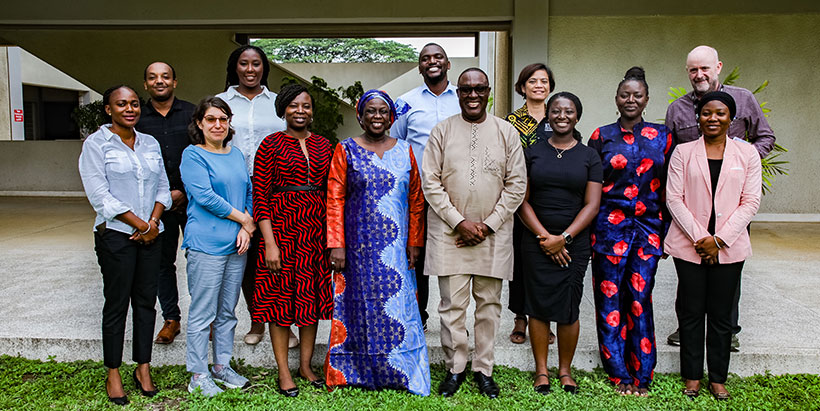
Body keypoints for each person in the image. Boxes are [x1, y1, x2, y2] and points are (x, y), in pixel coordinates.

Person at [423, 68, 527, 399]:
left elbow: (516, 183)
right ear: (458, 93)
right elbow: (431, 182)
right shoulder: (441, 131)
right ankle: (455, 367)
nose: (472, 95)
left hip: (493, 235)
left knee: (489, 305)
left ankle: (483, 369)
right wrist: (460, 222)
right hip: (449, 233)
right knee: (452, 305)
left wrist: (489, 224)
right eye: (466, 89)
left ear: (488, 92)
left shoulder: (506, 132)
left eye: (479, 89)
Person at [665, 45, 775, 350]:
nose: (699, 74)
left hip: (732, 201)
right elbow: (669, 153)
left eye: (705, 68)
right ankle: (686, 326)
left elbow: (765, 136)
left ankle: (728, 330)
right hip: (691, 203)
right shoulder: (677, 110)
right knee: (689, 265)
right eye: (693, 70)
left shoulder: (743, 99)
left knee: (728, 267)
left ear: (718, 67)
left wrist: (745, 160)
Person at [325, 89, 430, 396]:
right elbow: (334, 199)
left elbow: (416, 200)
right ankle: (352, 371)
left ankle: (401, 372)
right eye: (370, 111)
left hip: (396, 252)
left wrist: (415, 242)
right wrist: (337, 245)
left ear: (391, 117)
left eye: (383, 112)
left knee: (396, 310)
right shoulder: (345, 150)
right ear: (360, 115)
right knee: (357, 309)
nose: (376, 117)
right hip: (356, 250)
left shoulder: (405, 150)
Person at [665, 91, 761, 401]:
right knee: (692, 312)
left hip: (729, 246)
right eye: (707, 113)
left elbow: (750, 202)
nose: (713, 118)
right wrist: (701, 238)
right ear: (698, 117)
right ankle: (692, 376)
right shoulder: (683, 152)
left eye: (720, 113)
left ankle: (718, 378)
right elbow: (673, 199)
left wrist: (719, 240)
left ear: (731, 118)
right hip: (689, 245)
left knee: (721, 315)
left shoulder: (747, 155)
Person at [79, 85, 171, 406]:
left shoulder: (149, 143)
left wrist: (153, 223)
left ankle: (143, 367)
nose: (129, 109)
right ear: (108, 110)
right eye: (121, 104)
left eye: (133, 103)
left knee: (146, 302)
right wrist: (140, 224)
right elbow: (100, 195)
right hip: (116, 236)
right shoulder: (96, 145)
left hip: (151, 234)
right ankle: (114, 371)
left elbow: (163, 187)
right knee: (117, 304)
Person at [588, 67, 674, 396]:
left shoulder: (663, 136)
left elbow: (669, 186)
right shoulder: (601, 136)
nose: (631, 100)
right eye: (625, 94)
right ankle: (618, 372)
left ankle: (643, 373)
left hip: (648, 230)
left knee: (639, 299)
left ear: (647, 99)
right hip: (608, 230)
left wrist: (667, 231)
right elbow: (591, 186)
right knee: (609, 301)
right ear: (616, 98)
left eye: (637, 95)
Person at [517, 92, 602, 396]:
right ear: (548, 116)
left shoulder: (589, 155)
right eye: (555, 111)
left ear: (577, 116)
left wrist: (563, 238)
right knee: (537, 306)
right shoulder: (532, 152)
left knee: (569, 305)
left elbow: (592, 205)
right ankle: (542, 370)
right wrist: (545, 237)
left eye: (568, 111)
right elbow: (521, 200)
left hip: (574, 241)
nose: (561, 116)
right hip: (536, 239)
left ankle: (564, 370)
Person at [252, 84, 333, 397]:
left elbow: (335, 191)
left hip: (316, 231)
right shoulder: (270, 145)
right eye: (294, 106)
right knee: (279, 303)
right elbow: (260, 197)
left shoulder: (325, 145)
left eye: (306, 106)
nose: (301, 111)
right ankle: (284, 371)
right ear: (283, 110)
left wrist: (332, 239)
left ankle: (306, 365)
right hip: (282, 231)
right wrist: (270, 243)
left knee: (309, 301)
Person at [216, 45, 290, 346]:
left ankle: (280, 322)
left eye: (256, 64)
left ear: (264, 68)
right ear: (235, 67)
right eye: (244, 63)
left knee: (271, 255)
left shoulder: (277, 103)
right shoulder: (220, 101)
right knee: (240, 255)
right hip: (232, 188)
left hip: (273, 189)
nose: (250, 69)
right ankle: (256, 320)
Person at [180, 97, 254, 397]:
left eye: (223, 119)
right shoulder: (193, 155)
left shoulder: (236, 154)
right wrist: (245, 220)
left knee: (228, 310)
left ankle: (221, 366)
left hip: (237, 243)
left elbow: (248, 190)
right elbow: (206, 197)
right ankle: (198, 374)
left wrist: (245, 228)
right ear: (200, 123)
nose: (218, 125)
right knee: (203, 312)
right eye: (211, 119)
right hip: (206, 244)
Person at [391, 43, 461, 331]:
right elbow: (395, 143)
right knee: (415, 256)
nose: (432, 62)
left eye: (438, 57)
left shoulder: (463, 97)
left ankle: (454, 321)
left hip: (456, 195)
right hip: (416, 195)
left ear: (447, 64)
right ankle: (418, 316)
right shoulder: (405, 102)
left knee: (452, 257)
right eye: (425, 59)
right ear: (419, 66)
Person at [136, 61, 195, 345]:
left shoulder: (192, 112)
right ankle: (171, 318)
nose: (160, 81)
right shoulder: (138, 118)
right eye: (153, 77)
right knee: (163, 262)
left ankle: (203, 317)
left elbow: (203, 150)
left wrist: (182, 189)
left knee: (198, 259)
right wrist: (164, 196)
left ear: (175, 81)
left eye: (165, 76)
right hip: (156, 204)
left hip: (193, 199)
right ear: (146, 84)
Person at [505, 63, 557, 346]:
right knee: (520, 262)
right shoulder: (510, 121)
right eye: (533, 81)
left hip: (550, 201)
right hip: (517, 201)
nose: (539, 85)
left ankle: (542, 318)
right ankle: (520, 317)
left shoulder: (559, 115)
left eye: (544, 81)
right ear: (522, 86)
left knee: (545, 263)